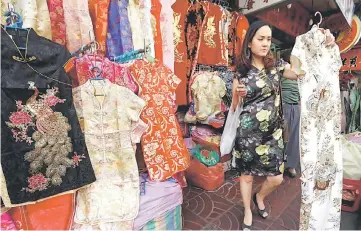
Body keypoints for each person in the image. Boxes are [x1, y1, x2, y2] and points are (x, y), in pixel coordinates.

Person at [231, 21, 301, 230]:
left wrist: (302, 46)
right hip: (248, 133)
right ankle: (247, 210)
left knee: (277, 178)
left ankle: (259, 197)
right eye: (260, 39)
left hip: (273, 135)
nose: (265, 44)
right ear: (250, 42)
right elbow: (235, 106)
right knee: (247, 176)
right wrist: (237, 94)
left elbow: (297, 73)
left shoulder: (276, 66)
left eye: (268, 39)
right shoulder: (241, 71)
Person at [280, 50, 300, 178]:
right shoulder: (282, 68)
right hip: (283, 107)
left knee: (295, 138)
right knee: (282, 137)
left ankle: (291, 165)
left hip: (296, 108)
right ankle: (279, 165)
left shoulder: (299, 72)